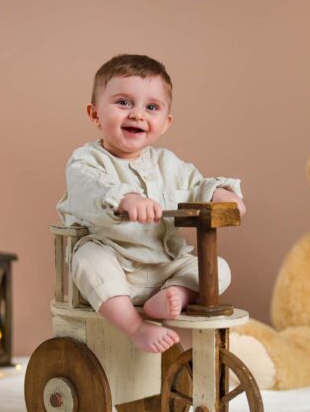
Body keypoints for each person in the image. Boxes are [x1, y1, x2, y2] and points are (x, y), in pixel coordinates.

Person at [57, 54, 245, 353]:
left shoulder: (168, 164)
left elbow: (197, 186)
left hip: (165, 267)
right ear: (94, 114)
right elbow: (88, 189)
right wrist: (124, 198)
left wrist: (221, 194)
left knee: (217, 269)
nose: (137, 115)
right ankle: (135, 327)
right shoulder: (86, 161)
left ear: (165, 122)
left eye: (151, 107)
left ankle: (176, 295)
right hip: (118, 268)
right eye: (123, 102)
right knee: (88, 259)